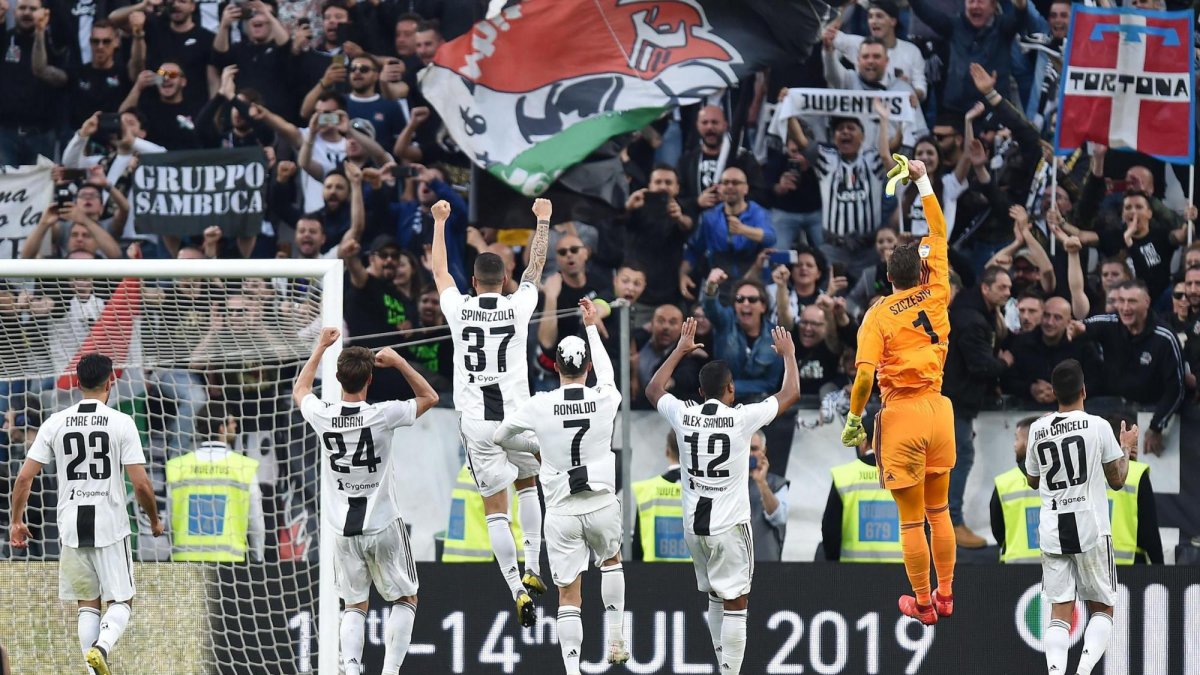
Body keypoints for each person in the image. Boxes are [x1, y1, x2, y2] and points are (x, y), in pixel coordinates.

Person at [646, 318, 800, 675]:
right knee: (736, 602)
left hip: (693, 527)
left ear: (700, 393)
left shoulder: (684, 414)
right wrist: (788, 355)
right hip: (729, 526)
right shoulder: (741, 418)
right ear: (730, 389)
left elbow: (654, 389)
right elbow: (790, 393)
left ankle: (722, 666)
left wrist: (680, 351)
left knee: (716, 596)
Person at [840, 158, 957, 625]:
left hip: (902, 414)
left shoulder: (878, 315)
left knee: (912, 520)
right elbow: (939, 231)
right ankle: (948, 594)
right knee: (940, 510)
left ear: (888, 278)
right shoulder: (938, 290)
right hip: (939, 408)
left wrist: (854, 419)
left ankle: (924, 603)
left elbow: (865, 376)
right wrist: (924, 179)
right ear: (922, 272)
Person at [493, 298, 630, 672]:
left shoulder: (540, 405)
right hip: (600, 501)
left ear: (555, 367)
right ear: (586, 365)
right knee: (611, 562)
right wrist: (590, 326)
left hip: (561, 510)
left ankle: (572, 670)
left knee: (569, 594)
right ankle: (615, 635)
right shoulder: (606, 398)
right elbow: (608, 374)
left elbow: (502, 435)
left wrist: (534, 446)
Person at [432, 197, 551, 627]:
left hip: (477, 423)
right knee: (528, 484)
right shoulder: (518, 306)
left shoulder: (459, 308)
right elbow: (535, 269)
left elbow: (440, 272)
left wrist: (440, 223)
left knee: (494, 508)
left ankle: (516, 588)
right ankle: (534, 565)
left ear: (474, 282)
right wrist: (542, 221)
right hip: (517, 416)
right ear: (504, 281)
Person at [293, 328, 439, 675]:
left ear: (339, 379)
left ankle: (352, 667)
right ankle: (389, 671)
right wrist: (400, 362)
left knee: (354, 605)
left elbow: (300, 390)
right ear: (370, 380)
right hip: (383, 523)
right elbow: (430, 396)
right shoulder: (382, 415)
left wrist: (320, 347)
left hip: (342, 529)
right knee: (406, 598)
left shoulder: (323, 415)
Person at [7, 353, 163, 675]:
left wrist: (16, 521)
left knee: (87, 605)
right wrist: (154, 519)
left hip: (70, 526)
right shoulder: (121, 422)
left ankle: (93, 671)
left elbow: (24, 478)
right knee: (121, 602)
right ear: (111, 382)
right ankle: (101, 648)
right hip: (110, 523)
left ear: (77, 384)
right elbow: (141, 484)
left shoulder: (55, 423)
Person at [1024, 359, 1136, 675]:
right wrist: (1125, 448)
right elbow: (1117, 480)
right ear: (1083, 390)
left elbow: (1033, 480)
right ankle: (1083, 671)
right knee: (1103, 608)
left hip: (1052, 528)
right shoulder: (1098, 426)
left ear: (1053, 393)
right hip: (1090, 526)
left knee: (1060, 609)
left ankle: (1056, 673)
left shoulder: (1037, 428)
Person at [1069, 280, 1185, 455]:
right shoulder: (1110, 322)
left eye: (1132, 301)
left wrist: (1157, 426)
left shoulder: (1164, 338)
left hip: (1149, 409)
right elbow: (1086, 326)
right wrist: (1078, 329)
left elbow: (1176, 389)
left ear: (1147, 302)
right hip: (1112, 406)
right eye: (1121, 301)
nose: (1124, 307)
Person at [942, 265, 1013, 548]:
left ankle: (937, 524)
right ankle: (951, 522)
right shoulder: (972, 320)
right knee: (961, 455)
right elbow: (980, 365)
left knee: (947, 460)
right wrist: (1004, 364)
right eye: (1002, 287)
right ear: (985, 288)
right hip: (954, 401)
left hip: (949, 399)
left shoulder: (976, 312)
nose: (1009, 292)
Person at [165, 402, 266, 563]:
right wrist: (257, 559)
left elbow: (169, 521)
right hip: (230, 563)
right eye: (231, 421)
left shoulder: (178, 466)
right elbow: (256, 522)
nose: (235, 425)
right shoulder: (243, 467)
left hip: (185, 559)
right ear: (221, 428)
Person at [821, 412, 904, 562]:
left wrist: (833, 566)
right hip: (902, 576)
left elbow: (830, 530)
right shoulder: (910, 477)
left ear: (864, 441)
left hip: (852, 575)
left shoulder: (844, 476)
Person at [990, 416, 1043, 563]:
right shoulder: (1069, 479)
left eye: (1017, 439)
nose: (1014, 445)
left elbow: (998, 531)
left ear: (1027, 443)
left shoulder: (1004, 483)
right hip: (1061, 570)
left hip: (1015, 570)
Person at [631, 431, 691, 562]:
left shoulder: (647, 490)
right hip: (695, 577)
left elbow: (636, 548)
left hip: (653, 576)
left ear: (667, 451)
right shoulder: (702, 491)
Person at [748, 431, 789, 562]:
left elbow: (779, 517)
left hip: (765, 566)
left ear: (763, 451)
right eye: (745, 449)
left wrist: (761, 482)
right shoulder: (726, 483)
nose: (749, 454)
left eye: (753, 449)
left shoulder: (777, 484)